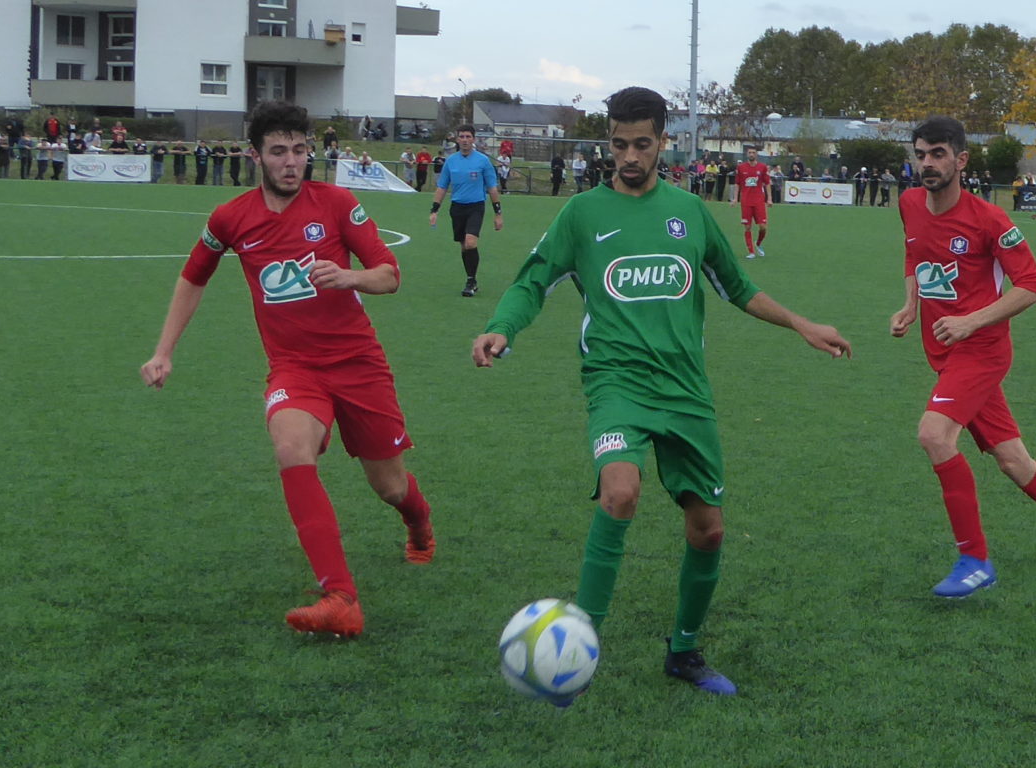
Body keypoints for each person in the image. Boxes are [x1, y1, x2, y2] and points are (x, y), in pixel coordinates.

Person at [471, 86, 851, 697]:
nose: (628, 155)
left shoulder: (689, 211)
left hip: (685, 388)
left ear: (663, 142)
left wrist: (801, 323)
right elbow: (532, 281)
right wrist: (501, 328)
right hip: (616, 381)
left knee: (709, 529)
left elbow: (737, 286)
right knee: (620, 492)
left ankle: (685, 652)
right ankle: (576, 646)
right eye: (618, 143)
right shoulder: (583, 213)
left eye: (641, 144)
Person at [138, 100, 435, 638]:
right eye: (278, 151)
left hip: (358, 364)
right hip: (294, 368)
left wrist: (350, 277)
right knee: (290, 446)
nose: (291, 161)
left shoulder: (338, 203)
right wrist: (164, 351)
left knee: (390, 487)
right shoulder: (230, 218)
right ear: (256, 156)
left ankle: (418, 522)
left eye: (299, 150)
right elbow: (193, 277)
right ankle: (340, 596)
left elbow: (389, 274)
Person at [889, 115, 1036, 599]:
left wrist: (971, 321)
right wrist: (910, 304)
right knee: (1015, 462)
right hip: (944, 352)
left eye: (938, 154)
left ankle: (974, 560)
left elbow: (1032, 286)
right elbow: (915, 254)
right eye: (921, 154)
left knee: (934, 435)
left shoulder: (989, 220)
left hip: (982, 351)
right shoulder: (909, 203)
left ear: (961, 160)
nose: (927, 163)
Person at [428, 124, 503, 297]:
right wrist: (434, 210)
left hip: (476, 206)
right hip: (457, 208)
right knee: (464, 246)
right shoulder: (451, 161)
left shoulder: (483, 161)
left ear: (473, 139)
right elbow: (442, 187)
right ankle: (471, 278)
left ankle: (471, 281)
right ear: (457, 139)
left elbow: (492, 188)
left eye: (468, 137)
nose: (465, 140)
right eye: (462, 137)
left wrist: (498, 214)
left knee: (470, 242)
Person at [735, 145, 770, 258]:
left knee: (763, 227)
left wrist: (769, 199)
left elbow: (767, 183)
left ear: (756, 154)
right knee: (747, 227)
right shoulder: (741, 167)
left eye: (753, 152)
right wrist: (735, 198)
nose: (751, 154)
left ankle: (758, 243)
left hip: (759, 201)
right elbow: (737, 184)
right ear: (747, 154)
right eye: (749, 152)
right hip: (746, 201)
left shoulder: (762, 167)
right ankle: (751, 252)